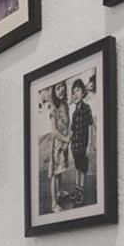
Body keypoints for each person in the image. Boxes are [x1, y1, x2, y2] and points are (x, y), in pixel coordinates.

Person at [68, 79, 95, 207]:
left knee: (83, 169)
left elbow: (90, 126)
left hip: (83, 146)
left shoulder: (86, 108)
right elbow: (72, 130)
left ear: (83, 92)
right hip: (75, 146)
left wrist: (90, 144)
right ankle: (77, 187)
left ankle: (81, 190)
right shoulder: (74, 113)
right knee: (77, 167)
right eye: (73, 92)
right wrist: (69, 143)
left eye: (78, 91)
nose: (75, 94)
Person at [47, 83, 71, 213]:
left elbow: (68, 123)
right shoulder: (53, 108)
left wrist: (67, 139)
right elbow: (54, 132)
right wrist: (65, 139)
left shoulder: (65, 105)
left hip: (64, 144)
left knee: (60, 171)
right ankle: (53, 203)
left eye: (62, 86)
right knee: (55, 174)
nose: (61, 90)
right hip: (57, 146)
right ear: (53, 92)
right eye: (57, 88)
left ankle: (59, 192)